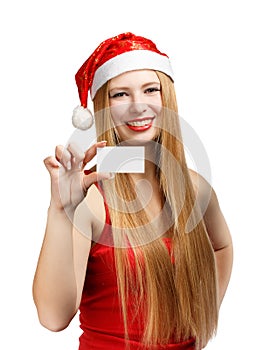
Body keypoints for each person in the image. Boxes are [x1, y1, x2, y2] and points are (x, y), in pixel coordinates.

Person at [32, 32, 233, 350]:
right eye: (120, 94)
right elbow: (53, 317)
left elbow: (221, 247)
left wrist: (204, 316)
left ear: (166, 97)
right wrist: (60, 211)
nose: (139, 105)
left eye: (150, 89)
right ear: (101, 108)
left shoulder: (195, 188)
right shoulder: (93, 199)